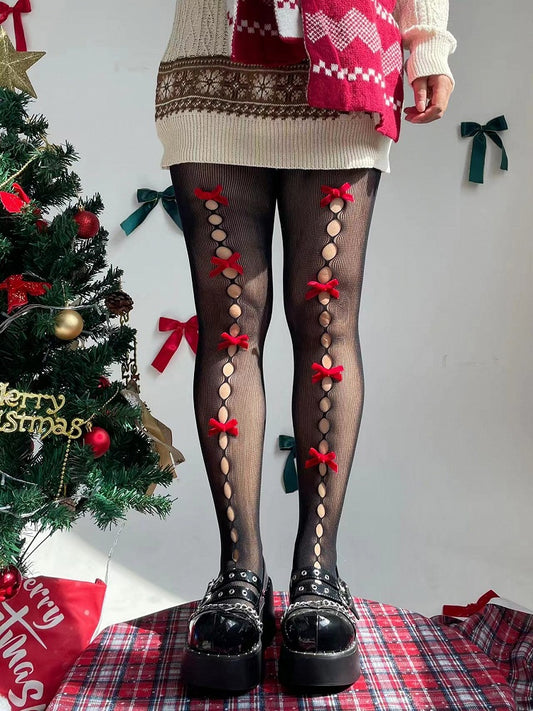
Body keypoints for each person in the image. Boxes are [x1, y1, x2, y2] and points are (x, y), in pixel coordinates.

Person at [155, 0, 456, 693]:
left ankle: (317, 570)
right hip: (211, 62)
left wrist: (428, 40)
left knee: (326, 323)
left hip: (343, 62)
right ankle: (240, 573)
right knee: (230, 325)